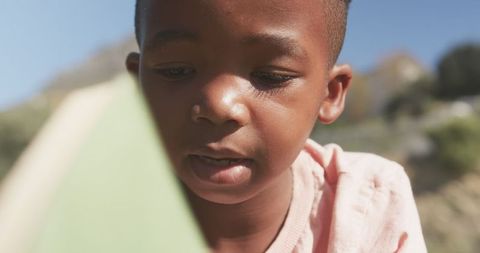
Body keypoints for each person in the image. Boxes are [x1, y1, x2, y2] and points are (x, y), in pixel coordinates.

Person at [125, 0, 427, 252]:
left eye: (271, 75)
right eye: (176, 70)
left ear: (330, 93)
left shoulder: (369, 207)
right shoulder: (95, 209)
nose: (220, 104)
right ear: (136, 85)